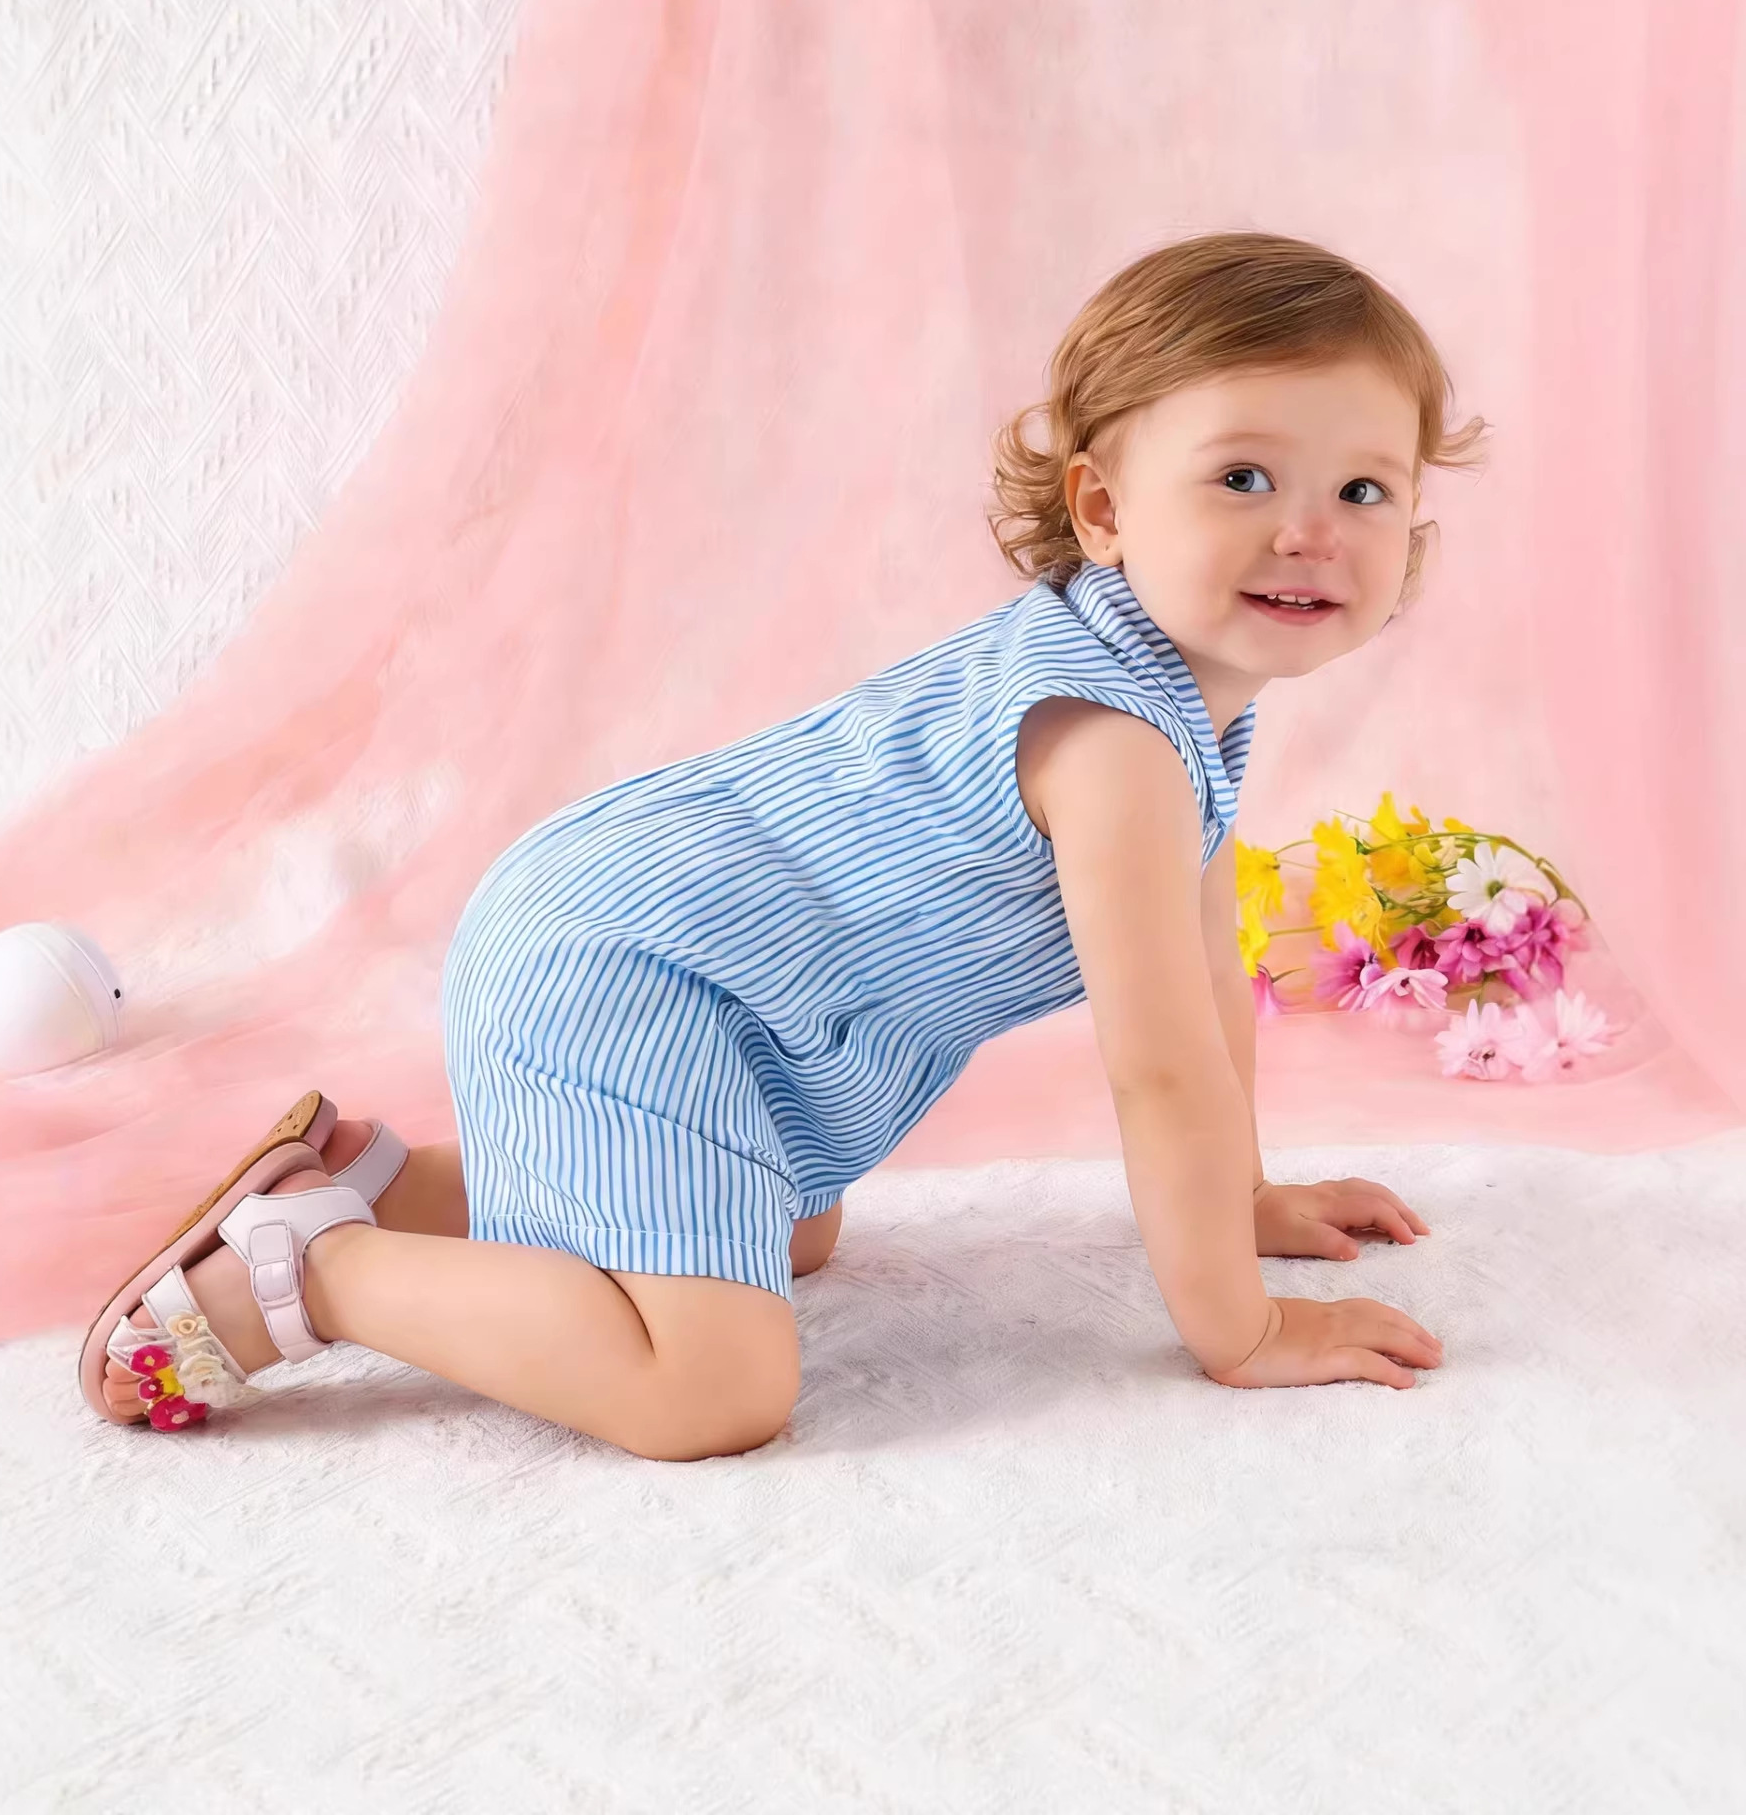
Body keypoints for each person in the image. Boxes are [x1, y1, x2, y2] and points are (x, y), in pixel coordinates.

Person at [84, 230, 1481, 1458]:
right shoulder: (1111, 739)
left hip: (690, 969)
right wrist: (1241, 1327)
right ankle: (312, 1272)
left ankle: (379, 1183)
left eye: (1363, 492)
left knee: (786, 1229)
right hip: (628, 961)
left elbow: (1208, 976)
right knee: (710, 1385)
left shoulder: (1183, 706)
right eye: (1245, 477)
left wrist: (1243, 1199)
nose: (1309, 534)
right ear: (1103, 510)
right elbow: (1159, 1067)